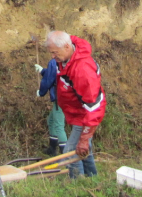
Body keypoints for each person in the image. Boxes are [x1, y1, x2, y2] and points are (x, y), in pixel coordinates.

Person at [45, 30, 106, 178]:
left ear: (66, 47)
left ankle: (77, 185)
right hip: (77, 112)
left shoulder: (82, 70)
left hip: (85, 116)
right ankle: (92, 179)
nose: (53, 57)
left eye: (55, 52)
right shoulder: (68, 52)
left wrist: (85, 138)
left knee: (71, 153)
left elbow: (93, 107)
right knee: (84, 151)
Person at [34, 58, 67, 157]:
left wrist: (41, 92)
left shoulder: (54, 62)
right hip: (64, 97)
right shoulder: (66, 60)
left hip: (59, 98)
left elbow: (49, 79)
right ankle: (52, 149)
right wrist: (43, 71)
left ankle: (65, 154)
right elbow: (53, 74)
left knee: (58, 125)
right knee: (51, 120)